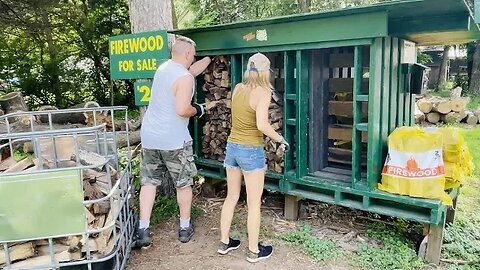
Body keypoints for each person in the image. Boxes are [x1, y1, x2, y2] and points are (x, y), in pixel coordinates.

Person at [133, 36, 211, 248]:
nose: (193, 58)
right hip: (174, 140)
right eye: (193, 55)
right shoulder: (184, 78)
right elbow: (182, 109)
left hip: (150, 137)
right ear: (187, 54)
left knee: (149, 183)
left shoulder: (164, 69)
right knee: (183, 183)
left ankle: (143, 229)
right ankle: (185, 227)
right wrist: (200, 109)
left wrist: (208, 61)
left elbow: (188, 72)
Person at [217, 53, 289, 263]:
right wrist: (280, 138)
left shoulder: (238, 88)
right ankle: (253, 251)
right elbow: (261, 125)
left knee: (231, 197)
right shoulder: (264, 91)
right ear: (266, 71)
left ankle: (224, 243)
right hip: (251, 151)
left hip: (232, 148)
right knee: (254, 203)